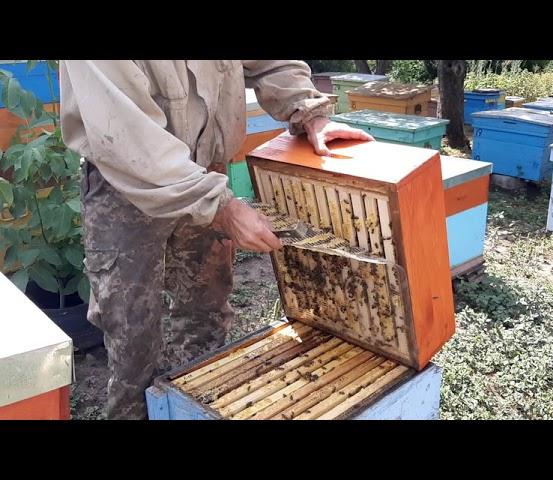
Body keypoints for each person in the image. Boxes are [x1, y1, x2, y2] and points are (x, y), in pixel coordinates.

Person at [59, 60, 374, 419]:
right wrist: (221, 206)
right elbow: (129, 138)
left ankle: (194, 410)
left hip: (208, 170)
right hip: (127, 185)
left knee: (205, 319)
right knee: (133, 340)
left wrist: (309, 111)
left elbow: (271, 63)